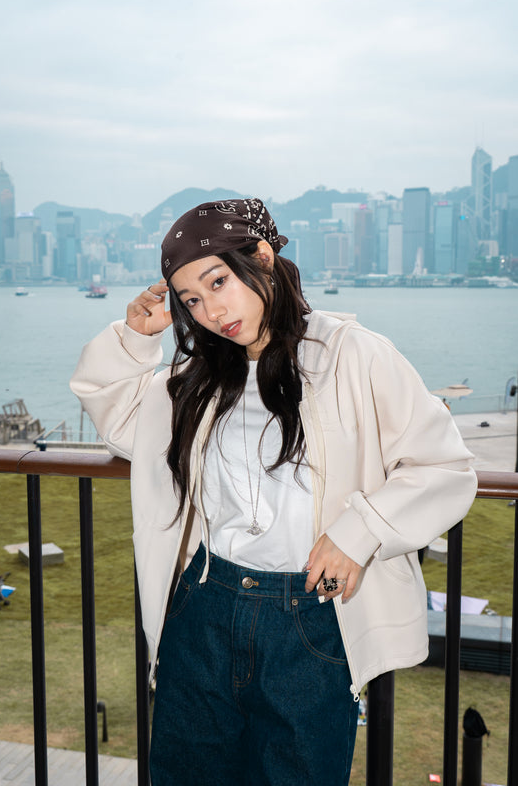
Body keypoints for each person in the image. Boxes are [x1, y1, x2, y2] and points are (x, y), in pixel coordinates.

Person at [71, 198, 477, 786]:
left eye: (217, 282)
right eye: (191, 300)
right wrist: (134, 339)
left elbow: (443, 464)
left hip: (308, 617)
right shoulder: (198, 378)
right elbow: (117, 416)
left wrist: (360, 531)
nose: (211, 311)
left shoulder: (351, 354)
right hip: (203, 607)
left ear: (261, 257)